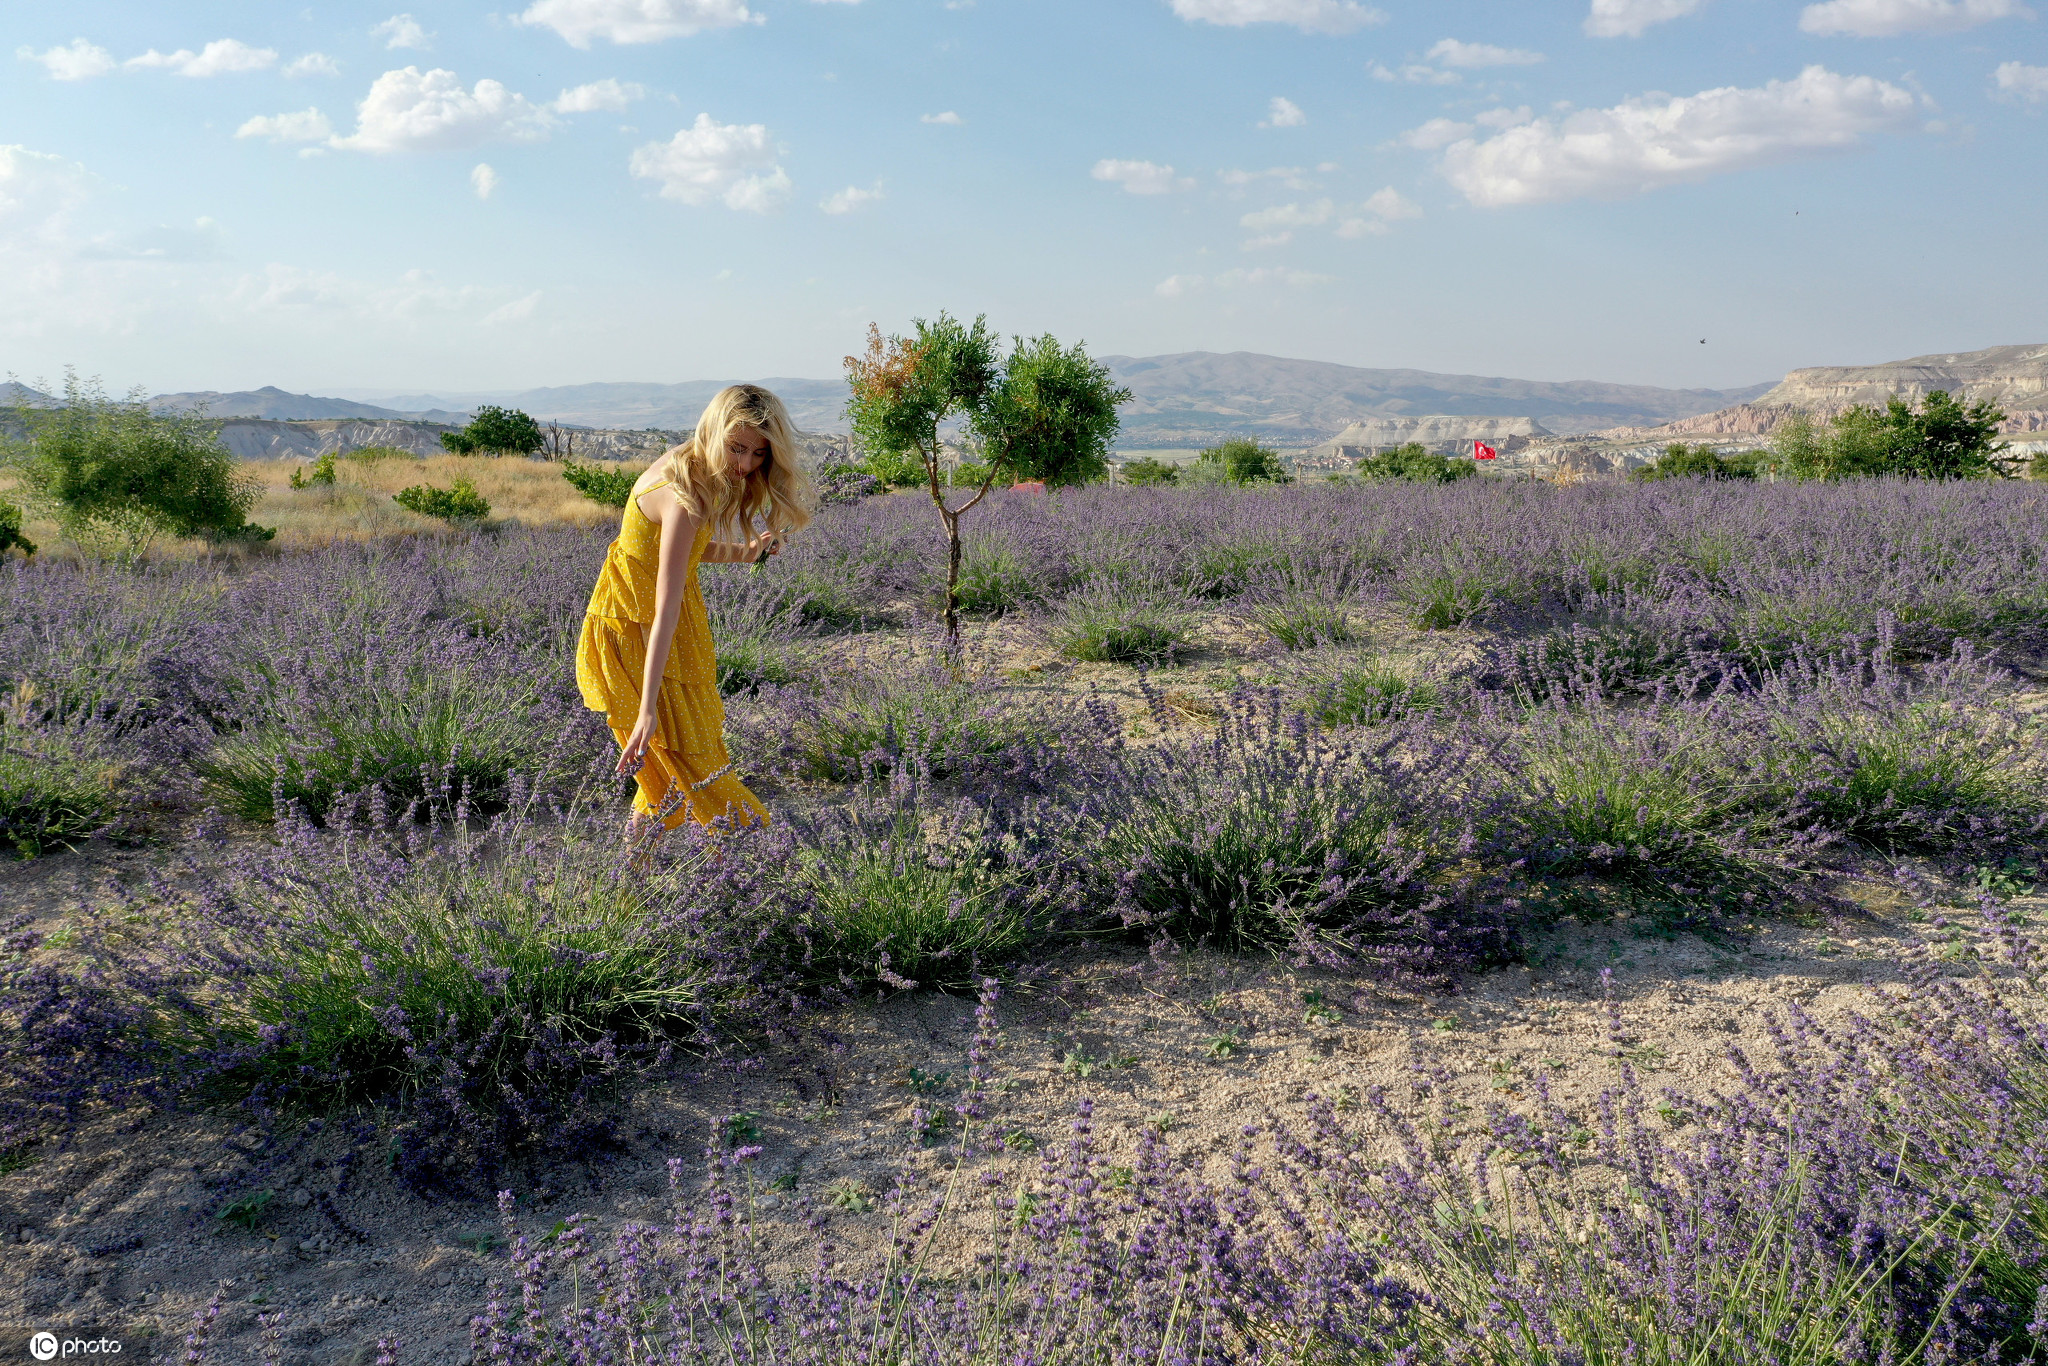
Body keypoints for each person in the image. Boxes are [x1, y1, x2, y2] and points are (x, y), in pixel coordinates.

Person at [575, 385, 815, 833]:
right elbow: (665, 602)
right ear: (714, 428)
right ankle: (757, 852)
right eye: (737, 448)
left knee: (666, 778)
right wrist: (647, 708)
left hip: (641, 627)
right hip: (639, 634)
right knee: (693, 764)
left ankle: (633, 887)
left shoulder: (690, 463)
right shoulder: (687, 493)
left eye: (759, 454)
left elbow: (682, 551)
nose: (745, 465)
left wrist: (747, 553)